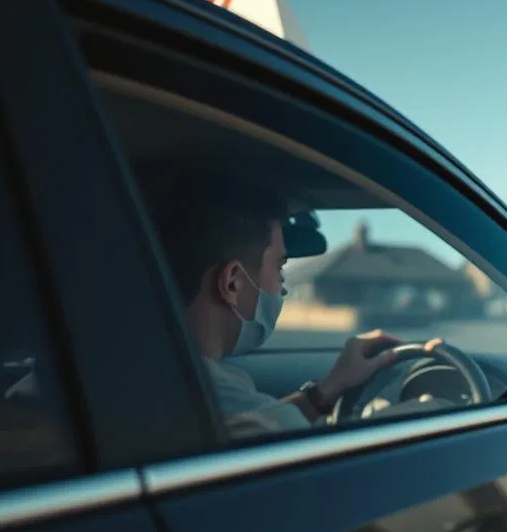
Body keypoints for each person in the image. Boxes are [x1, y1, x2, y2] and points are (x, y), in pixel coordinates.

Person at [142, 173, 400, 438]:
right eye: (279, 267)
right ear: (233, 283)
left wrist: (327, 390)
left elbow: (263, 419)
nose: (283, 287)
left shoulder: (152, 374)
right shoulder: (211, 395)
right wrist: (430, 405)